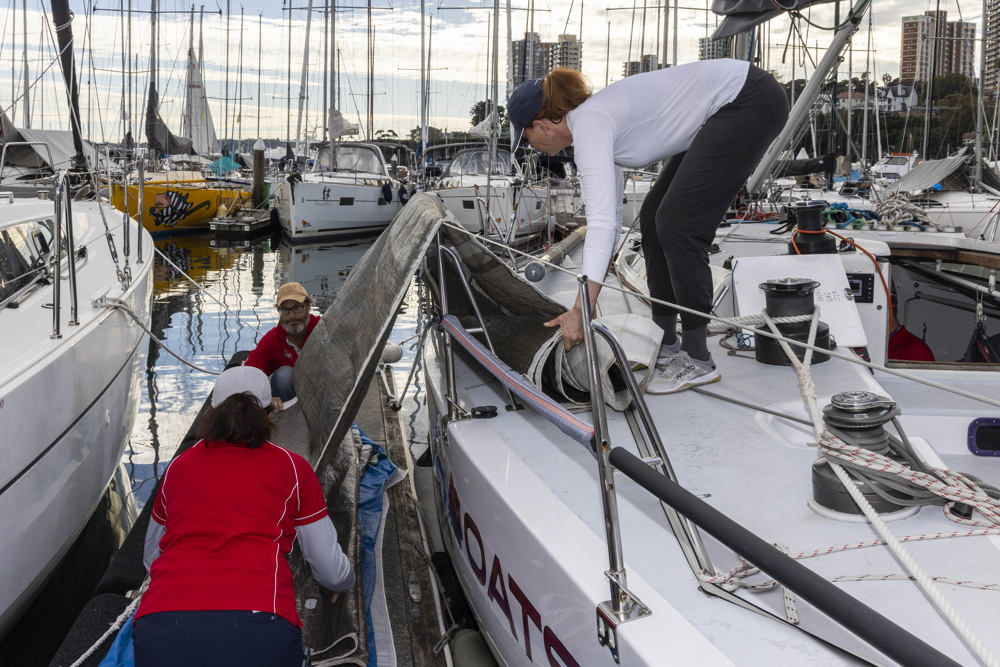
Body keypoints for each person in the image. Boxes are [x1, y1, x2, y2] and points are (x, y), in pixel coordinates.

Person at [507, 61, 789, 393]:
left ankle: (698, 359)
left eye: (527, 139)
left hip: (747, 99)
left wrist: (582, 308)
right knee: (654, 218)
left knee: (678, 223)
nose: (532, 148)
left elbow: (599, 225)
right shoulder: (593, 123)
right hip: (728, 105)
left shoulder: (591, 124)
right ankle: (665, 341)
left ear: (543, 125)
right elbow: (607, 221)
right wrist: (586, 302)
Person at [133, 366, 354, 667]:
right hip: (261, 630)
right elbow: (330, 569)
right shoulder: (293, 468)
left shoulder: (179, 468)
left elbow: (152, 558)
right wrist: (343, 582)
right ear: (270, 414)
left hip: (160, 630)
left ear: (211, 414)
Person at [245, 281, 321, 405]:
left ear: (308, 306)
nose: (292, 316)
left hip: (324, 392)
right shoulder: (273, 338)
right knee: (283, 376)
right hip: (290, 400)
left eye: (296, 308)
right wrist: (267, 400)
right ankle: (283, 419)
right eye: (285, 310)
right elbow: (251, 372)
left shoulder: (322, 329)